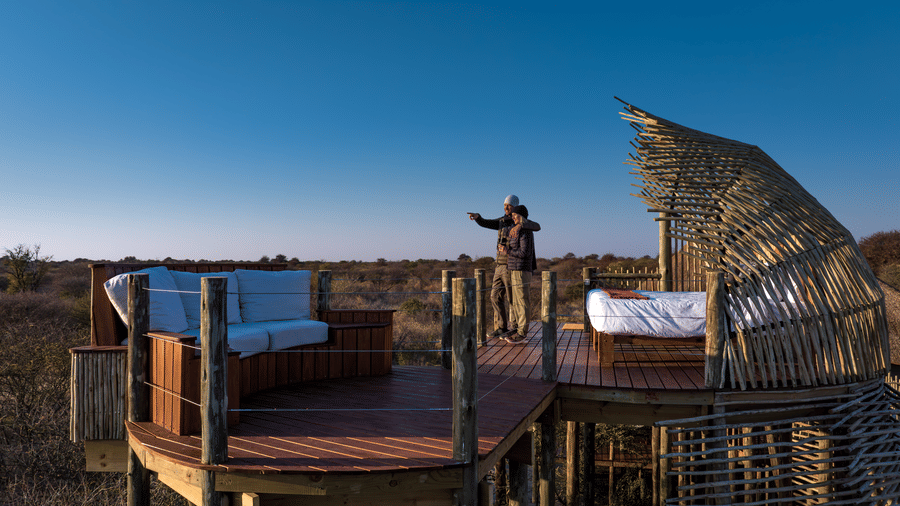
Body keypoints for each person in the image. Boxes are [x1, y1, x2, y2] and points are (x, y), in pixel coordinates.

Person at [467, 195, 540, 339]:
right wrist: (478, 218)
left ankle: (514, 328)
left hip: (512, 264)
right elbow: (487, 223)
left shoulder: (520, 222)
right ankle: (501, 327)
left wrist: (521, 224)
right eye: (505, 205)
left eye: (509, 206)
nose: (506, 208)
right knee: (495, 296)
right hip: (499, 265)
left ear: (516, 207)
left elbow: (537, 226)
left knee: (514, 299)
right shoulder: (502, 221)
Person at [499, 205, 536, 344]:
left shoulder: (525, 231)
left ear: (522, 217)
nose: (513, 218)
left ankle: (522, 333)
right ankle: (516, 329)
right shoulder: (516, 229)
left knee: (522, 302)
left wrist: (507, 251)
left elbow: (524, 253)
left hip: (521, 270)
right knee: (515, 301)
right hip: (514, 269)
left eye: (515, 216)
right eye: (512, 216)